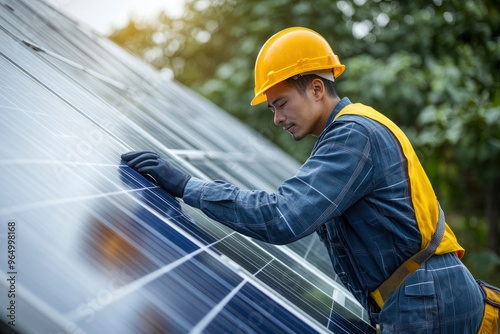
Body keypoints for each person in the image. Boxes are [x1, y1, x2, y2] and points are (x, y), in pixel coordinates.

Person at [121, 27, 487, 332]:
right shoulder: (350, 131)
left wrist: (188, 187)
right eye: (271, 109)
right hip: (423, 296)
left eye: (280, 103)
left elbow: (283, 216)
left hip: (428, 301)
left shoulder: (353, 136)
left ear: (315, 88)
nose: (277, 119)